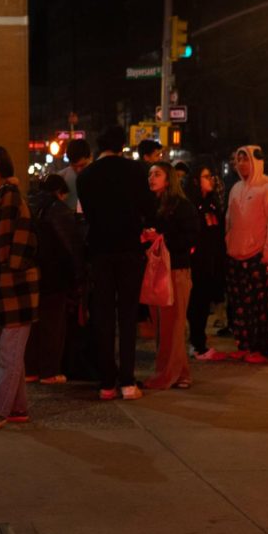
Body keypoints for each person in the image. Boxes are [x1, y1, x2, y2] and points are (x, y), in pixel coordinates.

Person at [77, 126, 156, 399]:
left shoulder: (86, 176)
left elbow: (87, 213)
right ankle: (127, 381)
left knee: (103, 316)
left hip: (99, 250)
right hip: (129, 249)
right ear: (123, 145)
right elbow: (149, 208)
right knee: (127, 314)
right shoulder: (136, 172)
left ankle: (106, 382)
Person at [0, 146, 41, 429]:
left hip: (14, 289)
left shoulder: (9, 197)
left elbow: (21, 240)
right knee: (10, 353)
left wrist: (10, 268)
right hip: (4, 289)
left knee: (9, 356)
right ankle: (17, 408)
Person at [224, 145, 268, 363]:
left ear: (256, 161)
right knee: (239, 305)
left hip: (258, 256)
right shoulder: (235, 189)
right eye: (238, 160)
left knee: (259, 307)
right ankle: (244, 344)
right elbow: (229, 221)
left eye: (245, 159)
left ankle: (261, 349)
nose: (241, 164)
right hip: (235, 255)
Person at [142, 161, 200, 389]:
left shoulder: (182, 206)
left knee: (174, 324)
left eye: (157, 174)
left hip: (176, 270)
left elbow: (191, 237)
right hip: (157, 270)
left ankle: (171, 373)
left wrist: (162, 238)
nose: (151, 178)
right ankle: (178, 371)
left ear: (168, 179)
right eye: (150, 174)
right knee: (162, 325)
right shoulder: (152, 205)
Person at [24, 175, 86, 384]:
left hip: (30, 272)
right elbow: (71, 246)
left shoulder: (28, 205)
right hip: (54, 274)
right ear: (60, 192)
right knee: (53, 323)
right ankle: (49, 372)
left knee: (32, 323)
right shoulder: (59, 210)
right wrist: (79, 275)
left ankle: (30, 370)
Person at [185, 163, 227, 361]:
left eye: (211, 176)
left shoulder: (212, 203)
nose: (211, 179)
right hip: (195, 263)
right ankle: (197, 344)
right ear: (196, 180)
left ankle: (198, 341)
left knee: (202, 304)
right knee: (195, 305)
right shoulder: (191, 205)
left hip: (209, 262)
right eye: (206, 176)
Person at [55, 138, 92, 211]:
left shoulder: (101, 177)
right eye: (74, 166)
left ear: (91, 157)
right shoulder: (61, 178)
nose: (78, 170)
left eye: (82, 165)